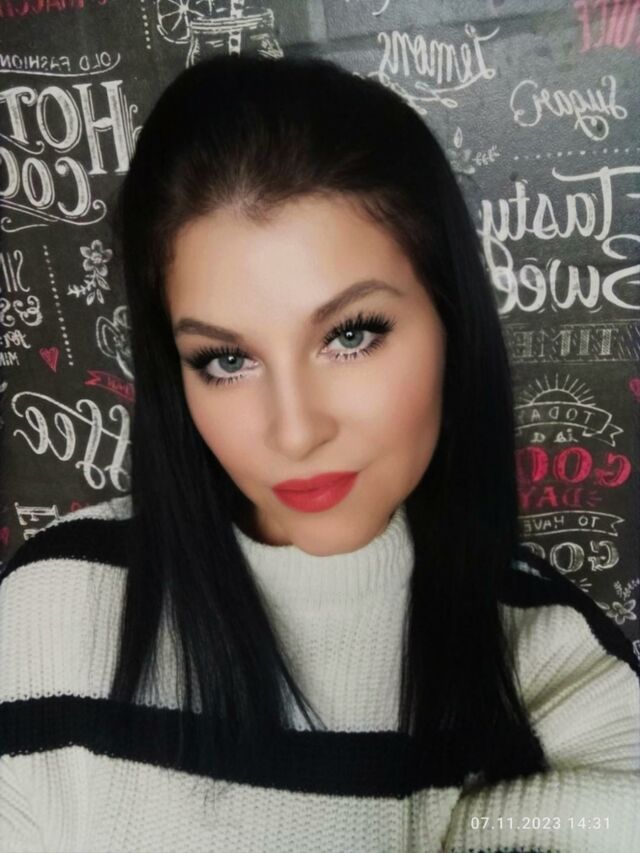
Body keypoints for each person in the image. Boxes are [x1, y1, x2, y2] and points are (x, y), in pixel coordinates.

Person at [0, 53, 638, 853]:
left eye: (351, 335)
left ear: (451, 318)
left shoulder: (559, 664)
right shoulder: (51, 611)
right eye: (225, 359)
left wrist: (475, 824)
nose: (295, 432)